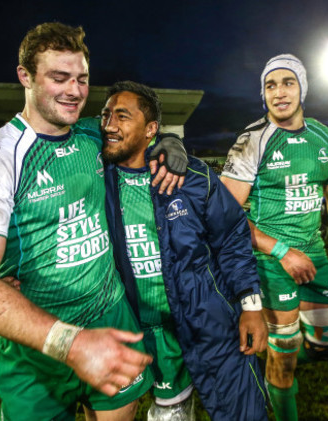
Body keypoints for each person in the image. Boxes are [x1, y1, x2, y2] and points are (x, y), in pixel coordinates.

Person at [0, 22, 187, 421]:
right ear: (25, 76)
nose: (74, 91)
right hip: (37, 346)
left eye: (82, 79)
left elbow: (139, 135)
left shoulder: (93, 135)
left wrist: (171, 143)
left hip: (112, 323)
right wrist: (71, 344)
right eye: (59, 78)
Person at [101, 81, 270, 420]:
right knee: (172, 414)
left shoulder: (191, 176)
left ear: (150, 129)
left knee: (243, 412)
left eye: (122, 116)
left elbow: (233, 239)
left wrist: (251, 305)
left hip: (209, 320)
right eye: (105, 115)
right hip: (143, 328)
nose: (109, 124)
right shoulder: (96, 178)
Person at [220, 54, 328, 421]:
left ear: (303, 89)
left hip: (313, 254)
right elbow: (222, 214)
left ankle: (273, 355)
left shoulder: (322, 136)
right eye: (270, 85)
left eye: (288, 83)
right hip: (271, 261)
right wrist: (280, 250)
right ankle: (278, 381)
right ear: (263, 94)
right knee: (284, 357)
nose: (279, 93)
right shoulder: (252, 141)